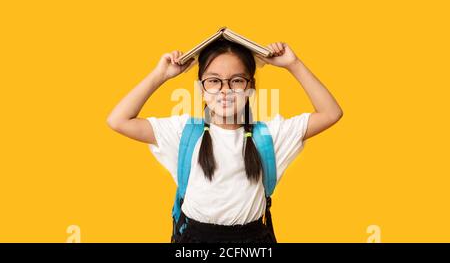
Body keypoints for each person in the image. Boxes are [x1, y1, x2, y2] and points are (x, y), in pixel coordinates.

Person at [107, 38, 343, 243]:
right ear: (201, 88)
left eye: (237, 80)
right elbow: (119, 120)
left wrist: (294, 64)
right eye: (213, 80)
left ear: (251, 87)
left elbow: (331, 113)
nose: (225, 90)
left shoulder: (271, 135)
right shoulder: (182, 133)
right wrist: (160, 75)